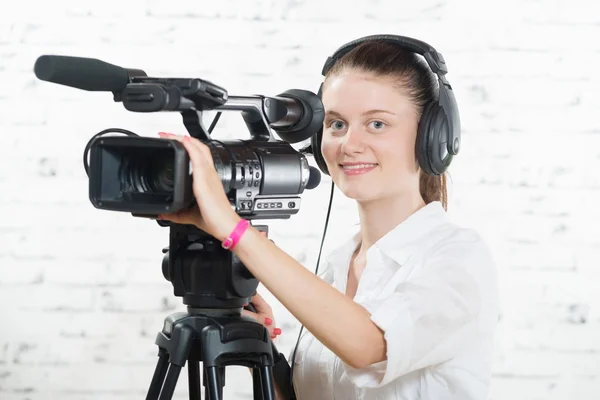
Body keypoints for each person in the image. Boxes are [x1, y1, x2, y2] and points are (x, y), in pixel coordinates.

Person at [156, 35, 499, 400]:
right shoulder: (335, 270)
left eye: (377, 124)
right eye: (336, 124)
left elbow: (370, 348)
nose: (348, 145)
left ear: (433, 137)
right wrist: (263, 350)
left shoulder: (457, 259)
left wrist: (233, 228)